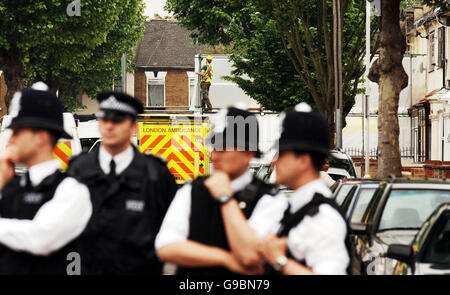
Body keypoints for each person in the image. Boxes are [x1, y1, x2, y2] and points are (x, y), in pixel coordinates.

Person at [205, 102, 350, 275]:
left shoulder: (323, 216)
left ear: (303, 161)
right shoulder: (301, 206)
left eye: (281, 153)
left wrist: (280, 261)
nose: (274, 161)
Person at [155, 104, 283, 275]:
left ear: (248, 152)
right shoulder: (191, 190)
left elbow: (249, 255)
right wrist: (225, 258)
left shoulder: (270, 198)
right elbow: (165, 247)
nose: (215, 155)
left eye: (224, 146)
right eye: (215, 146)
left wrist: (225, 197)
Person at [67, 91, 177, 274]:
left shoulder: (155, 174)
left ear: (133, 127)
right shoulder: (79, 170)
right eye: (104, 119)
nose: (109, 126)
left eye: (117, 121)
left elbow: (171, 230)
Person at [0, 82, 92, 274]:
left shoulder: (72, 191)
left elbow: (40, 239)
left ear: (41, 137)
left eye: (18, 131)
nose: (11, 138)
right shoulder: (8, 186)